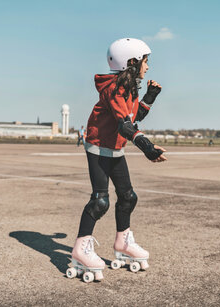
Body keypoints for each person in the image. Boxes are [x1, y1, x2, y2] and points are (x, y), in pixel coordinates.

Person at [66, 38, 166, 282]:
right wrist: (147, 147)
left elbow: (132, 115)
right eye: (145, 61)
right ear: (132, 62)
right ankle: (81, 249)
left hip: (115, 147)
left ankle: (123, 242)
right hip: (99, 146)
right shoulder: (114, 88)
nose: (148, 66)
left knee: (128, 196)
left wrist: (150, 96)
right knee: (100, 201)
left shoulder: (129, 86)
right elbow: (125, 124)